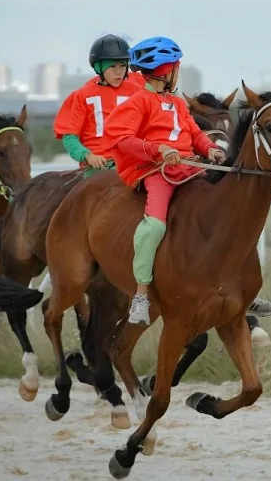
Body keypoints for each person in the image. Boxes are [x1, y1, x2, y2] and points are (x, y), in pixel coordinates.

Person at [107, 37, 225, 325]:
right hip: (156, 174)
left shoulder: (177, 103)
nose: (178, 73)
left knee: (224, 211)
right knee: (155, 226)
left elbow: (195, 133)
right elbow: (123, 140)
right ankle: (141, 294)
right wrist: (158, 150)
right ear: (164, 71)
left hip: (189, 170)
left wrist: (210, 149)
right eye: (176, 68)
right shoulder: (138, 102)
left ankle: (231, 281)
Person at [53, 34, 144, 173]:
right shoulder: (80, 96)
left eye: (122, 65)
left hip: (133, 164)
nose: (118, 71)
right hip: (98, 166)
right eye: (112, 66)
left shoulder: (139, 93)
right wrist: (88, 156)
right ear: (98, 67)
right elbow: (69, 137)